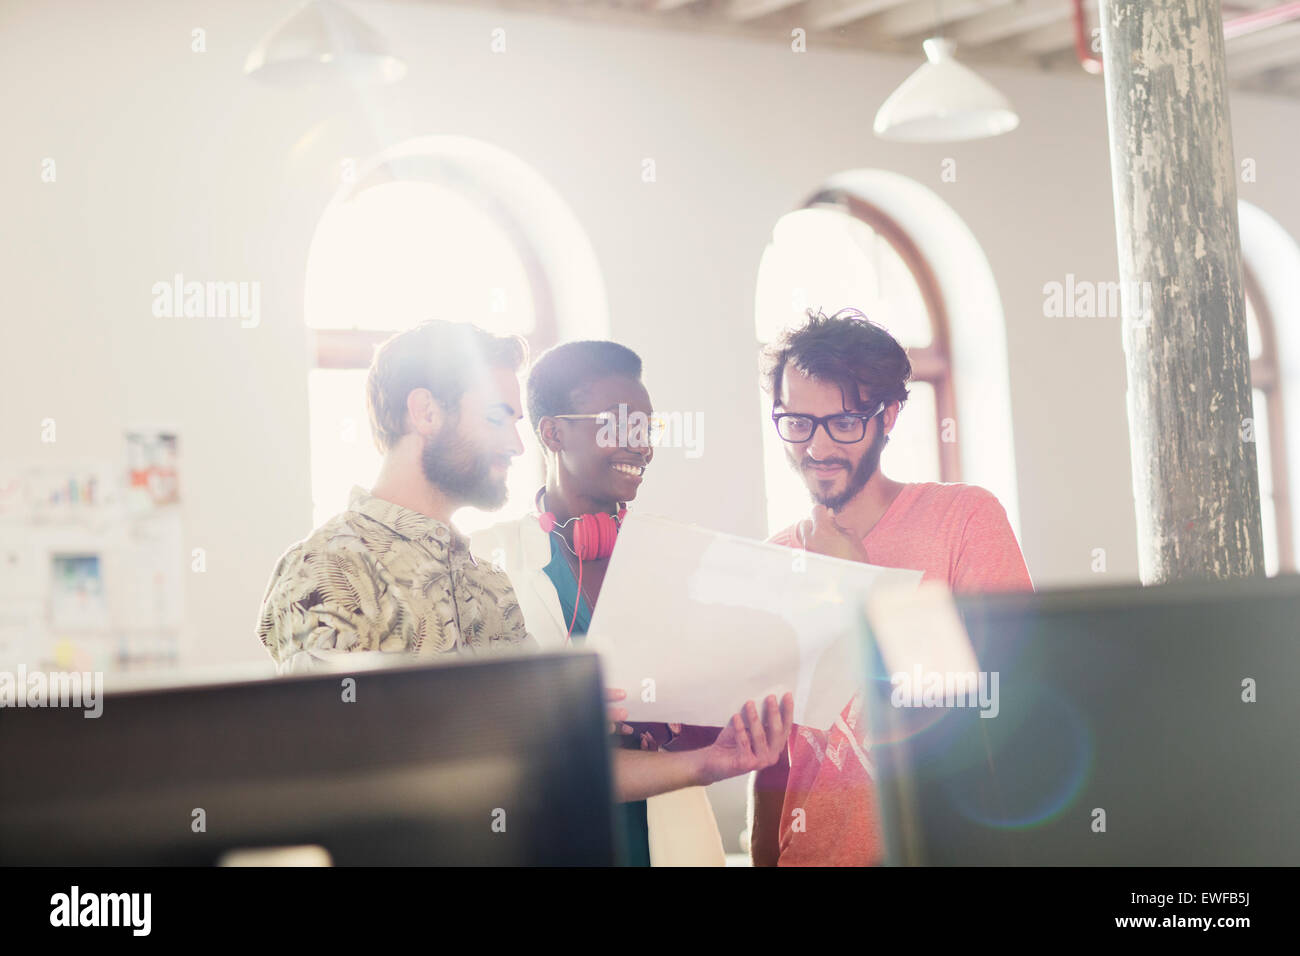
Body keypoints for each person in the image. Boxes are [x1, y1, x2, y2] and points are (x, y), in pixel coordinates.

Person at [255, 320, 793, 841]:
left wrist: (706, 762)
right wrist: (513, 714)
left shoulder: (485, 585)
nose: (517, 445)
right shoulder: (329, 566)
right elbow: (324, 765)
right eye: (497, 418)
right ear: (425, 413)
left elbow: (556, 767)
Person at [749, 308, 1033, 867]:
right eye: (798, 422)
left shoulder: (964, 519)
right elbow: (775, 766)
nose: (818, 447)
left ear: (890, 417)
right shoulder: (771, 563)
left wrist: (856, 582)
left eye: (845, 422)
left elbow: (1005, 701)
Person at [471, 340, 731, 866]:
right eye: (621, 427)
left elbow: (725, 701)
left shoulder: (682, 556)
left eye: (647, 429)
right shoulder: (484, 560)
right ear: (553, 432)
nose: (643, 447)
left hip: (665, 838)